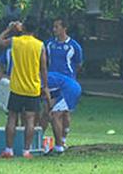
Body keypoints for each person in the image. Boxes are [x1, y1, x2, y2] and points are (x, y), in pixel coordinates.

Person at [0, 17, 49, 159]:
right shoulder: (40, 45)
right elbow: (43, 68)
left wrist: (9, 29)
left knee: (12, 117)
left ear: (23, 27)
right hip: (33, 88)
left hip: (17, 87)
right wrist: (45, 86)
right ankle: (26, 151)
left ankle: (9, 150)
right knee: (30, 119)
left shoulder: (15, 41)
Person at [44, 17, 84, 151]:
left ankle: (62, 140)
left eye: (57, 27)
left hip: (67, 82)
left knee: (64, 113)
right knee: (48, 111)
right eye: (53, 27)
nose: (54, 29)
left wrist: (70, 78)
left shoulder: (74, 46)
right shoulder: (49, 44)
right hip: (52, 81)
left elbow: (78, 64)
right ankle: (44, 140)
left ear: (64, 28)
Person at [45, 71, 81, 155]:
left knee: (55, 116)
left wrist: (49, 109)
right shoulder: (50, 78)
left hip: (69, 90)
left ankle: (59, 147)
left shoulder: (41, 79)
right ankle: (62, 142)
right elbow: (52, 97)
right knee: (65, 113)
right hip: (74, 87)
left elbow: (47, 95)